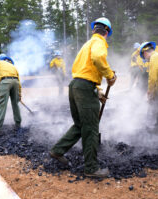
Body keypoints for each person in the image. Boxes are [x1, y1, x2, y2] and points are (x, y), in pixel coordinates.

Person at [49, 17, 116, 178]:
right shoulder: (99, 42)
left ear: (94, 30)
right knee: (91, 128)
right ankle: (91, 168)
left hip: (75, 86)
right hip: (85, 88)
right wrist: (110, 75)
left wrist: (98, 89)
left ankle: (58, 151)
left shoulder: (87, 45)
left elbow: (86, 70)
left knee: (80, 125)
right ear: (106, 32)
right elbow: (98, 59)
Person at [0, 54, 22, 136]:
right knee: (15, 104)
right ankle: (18, 125)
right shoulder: (13, 66)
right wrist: (19, 94)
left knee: (2, 105)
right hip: (16, 83)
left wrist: (1, 81)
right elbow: (19, 81)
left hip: (5, 82)